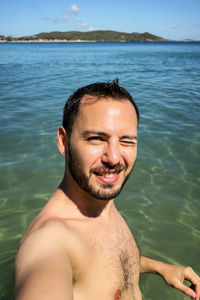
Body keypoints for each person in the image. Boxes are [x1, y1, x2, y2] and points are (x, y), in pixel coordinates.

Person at [15, 79, 200, 300]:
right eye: (96, 139)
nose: (113, 158)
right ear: (64, 142)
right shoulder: (48, 242)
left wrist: (161, 268)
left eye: (127, 142)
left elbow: (104, 257)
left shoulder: (100, 203)